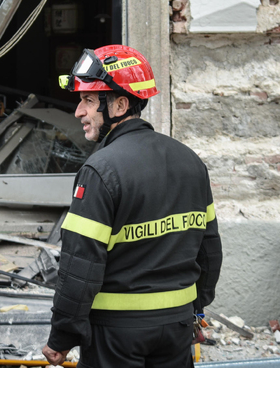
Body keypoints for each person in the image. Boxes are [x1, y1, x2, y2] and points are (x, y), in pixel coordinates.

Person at [42, 45, 223, 368]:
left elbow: (80, 265)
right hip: (177, 329)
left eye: (88, 101)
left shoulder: (100, 170)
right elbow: (208, 251)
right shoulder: (190, 161)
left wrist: (62, 338)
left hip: (117, 333)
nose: (79, 112)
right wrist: (195, 312)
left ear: (120, 104)